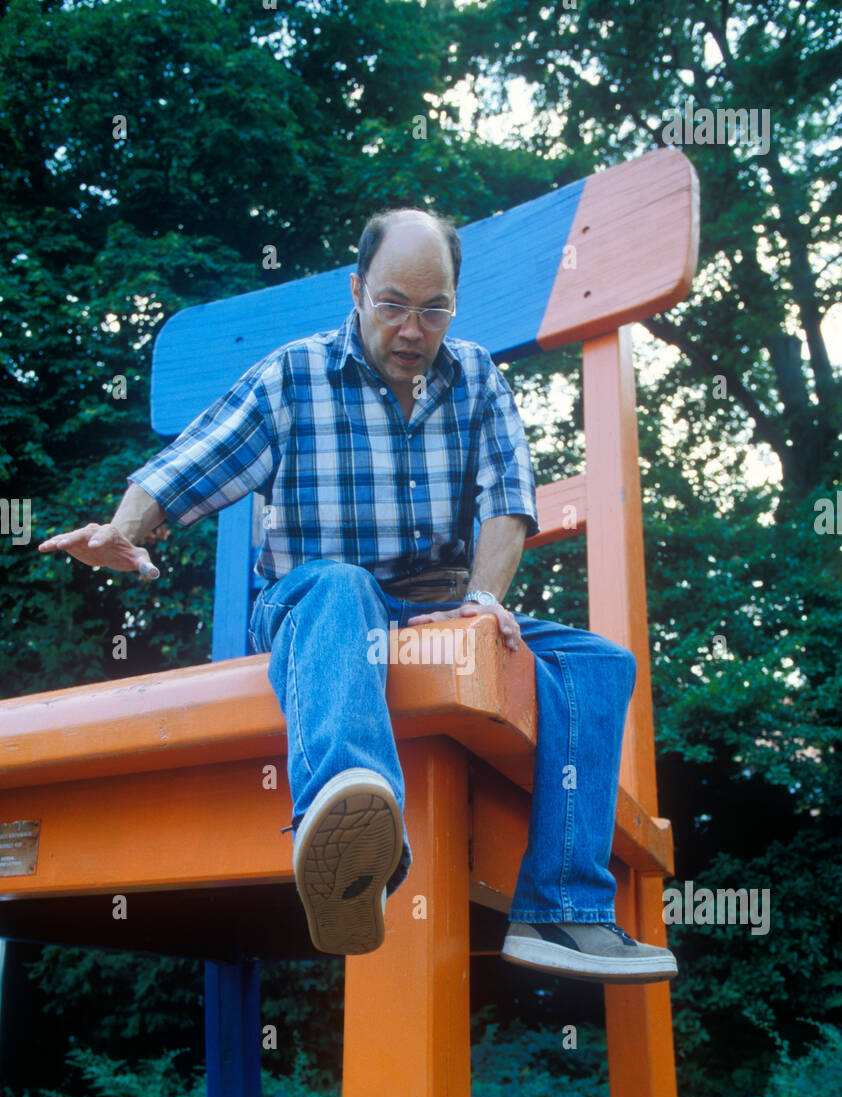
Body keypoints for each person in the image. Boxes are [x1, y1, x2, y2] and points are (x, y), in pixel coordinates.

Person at [39, 207, 677, 984]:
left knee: (599, 666)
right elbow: (187, 468)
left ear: (453, 304)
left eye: (434, 307)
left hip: (437, 610)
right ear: (357, 290)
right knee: (345, 586)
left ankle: (561, 912)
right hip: (313, 606)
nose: (413, 328)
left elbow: (508, 499)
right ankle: (348, 820)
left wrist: (481, 602)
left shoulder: (475, 376)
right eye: (392, 303)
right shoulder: (294, 376)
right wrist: (121, 529)